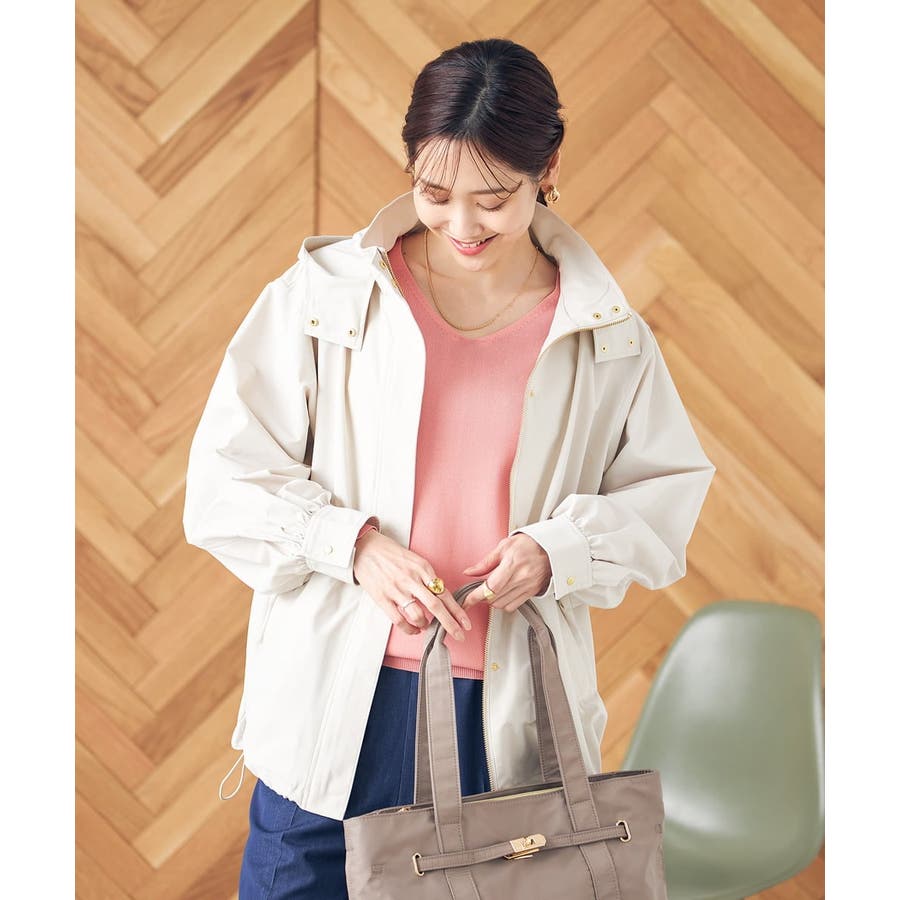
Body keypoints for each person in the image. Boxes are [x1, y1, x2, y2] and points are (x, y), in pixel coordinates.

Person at [182, 37, 715, 899]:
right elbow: (223, 481)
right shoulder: (324, 298)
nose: (462, 225)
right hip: (335, 696)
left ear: (548, 170)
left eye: (492, 200)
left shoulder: (607, 334)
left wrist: (558, 551)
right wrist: (352, 546)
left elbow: (665, 498)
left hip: (501, 717)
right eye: (434, 193)